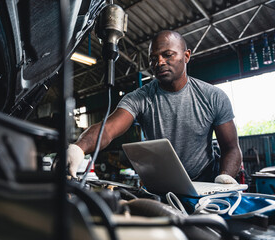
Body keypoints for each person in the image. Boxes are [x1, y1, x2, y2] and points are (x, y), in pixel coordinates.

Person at [67, 30, 242, 184]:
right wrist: (78, 147)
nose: (159, 62)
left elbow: (231, 148)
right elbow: (108, 129)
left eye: (168, 55)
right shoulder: (140, 98)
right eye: (153, 58)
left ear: (186, 56)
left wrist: (224, 179)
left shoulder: (213, 96)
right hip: (160, 186)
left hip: (206, 184)